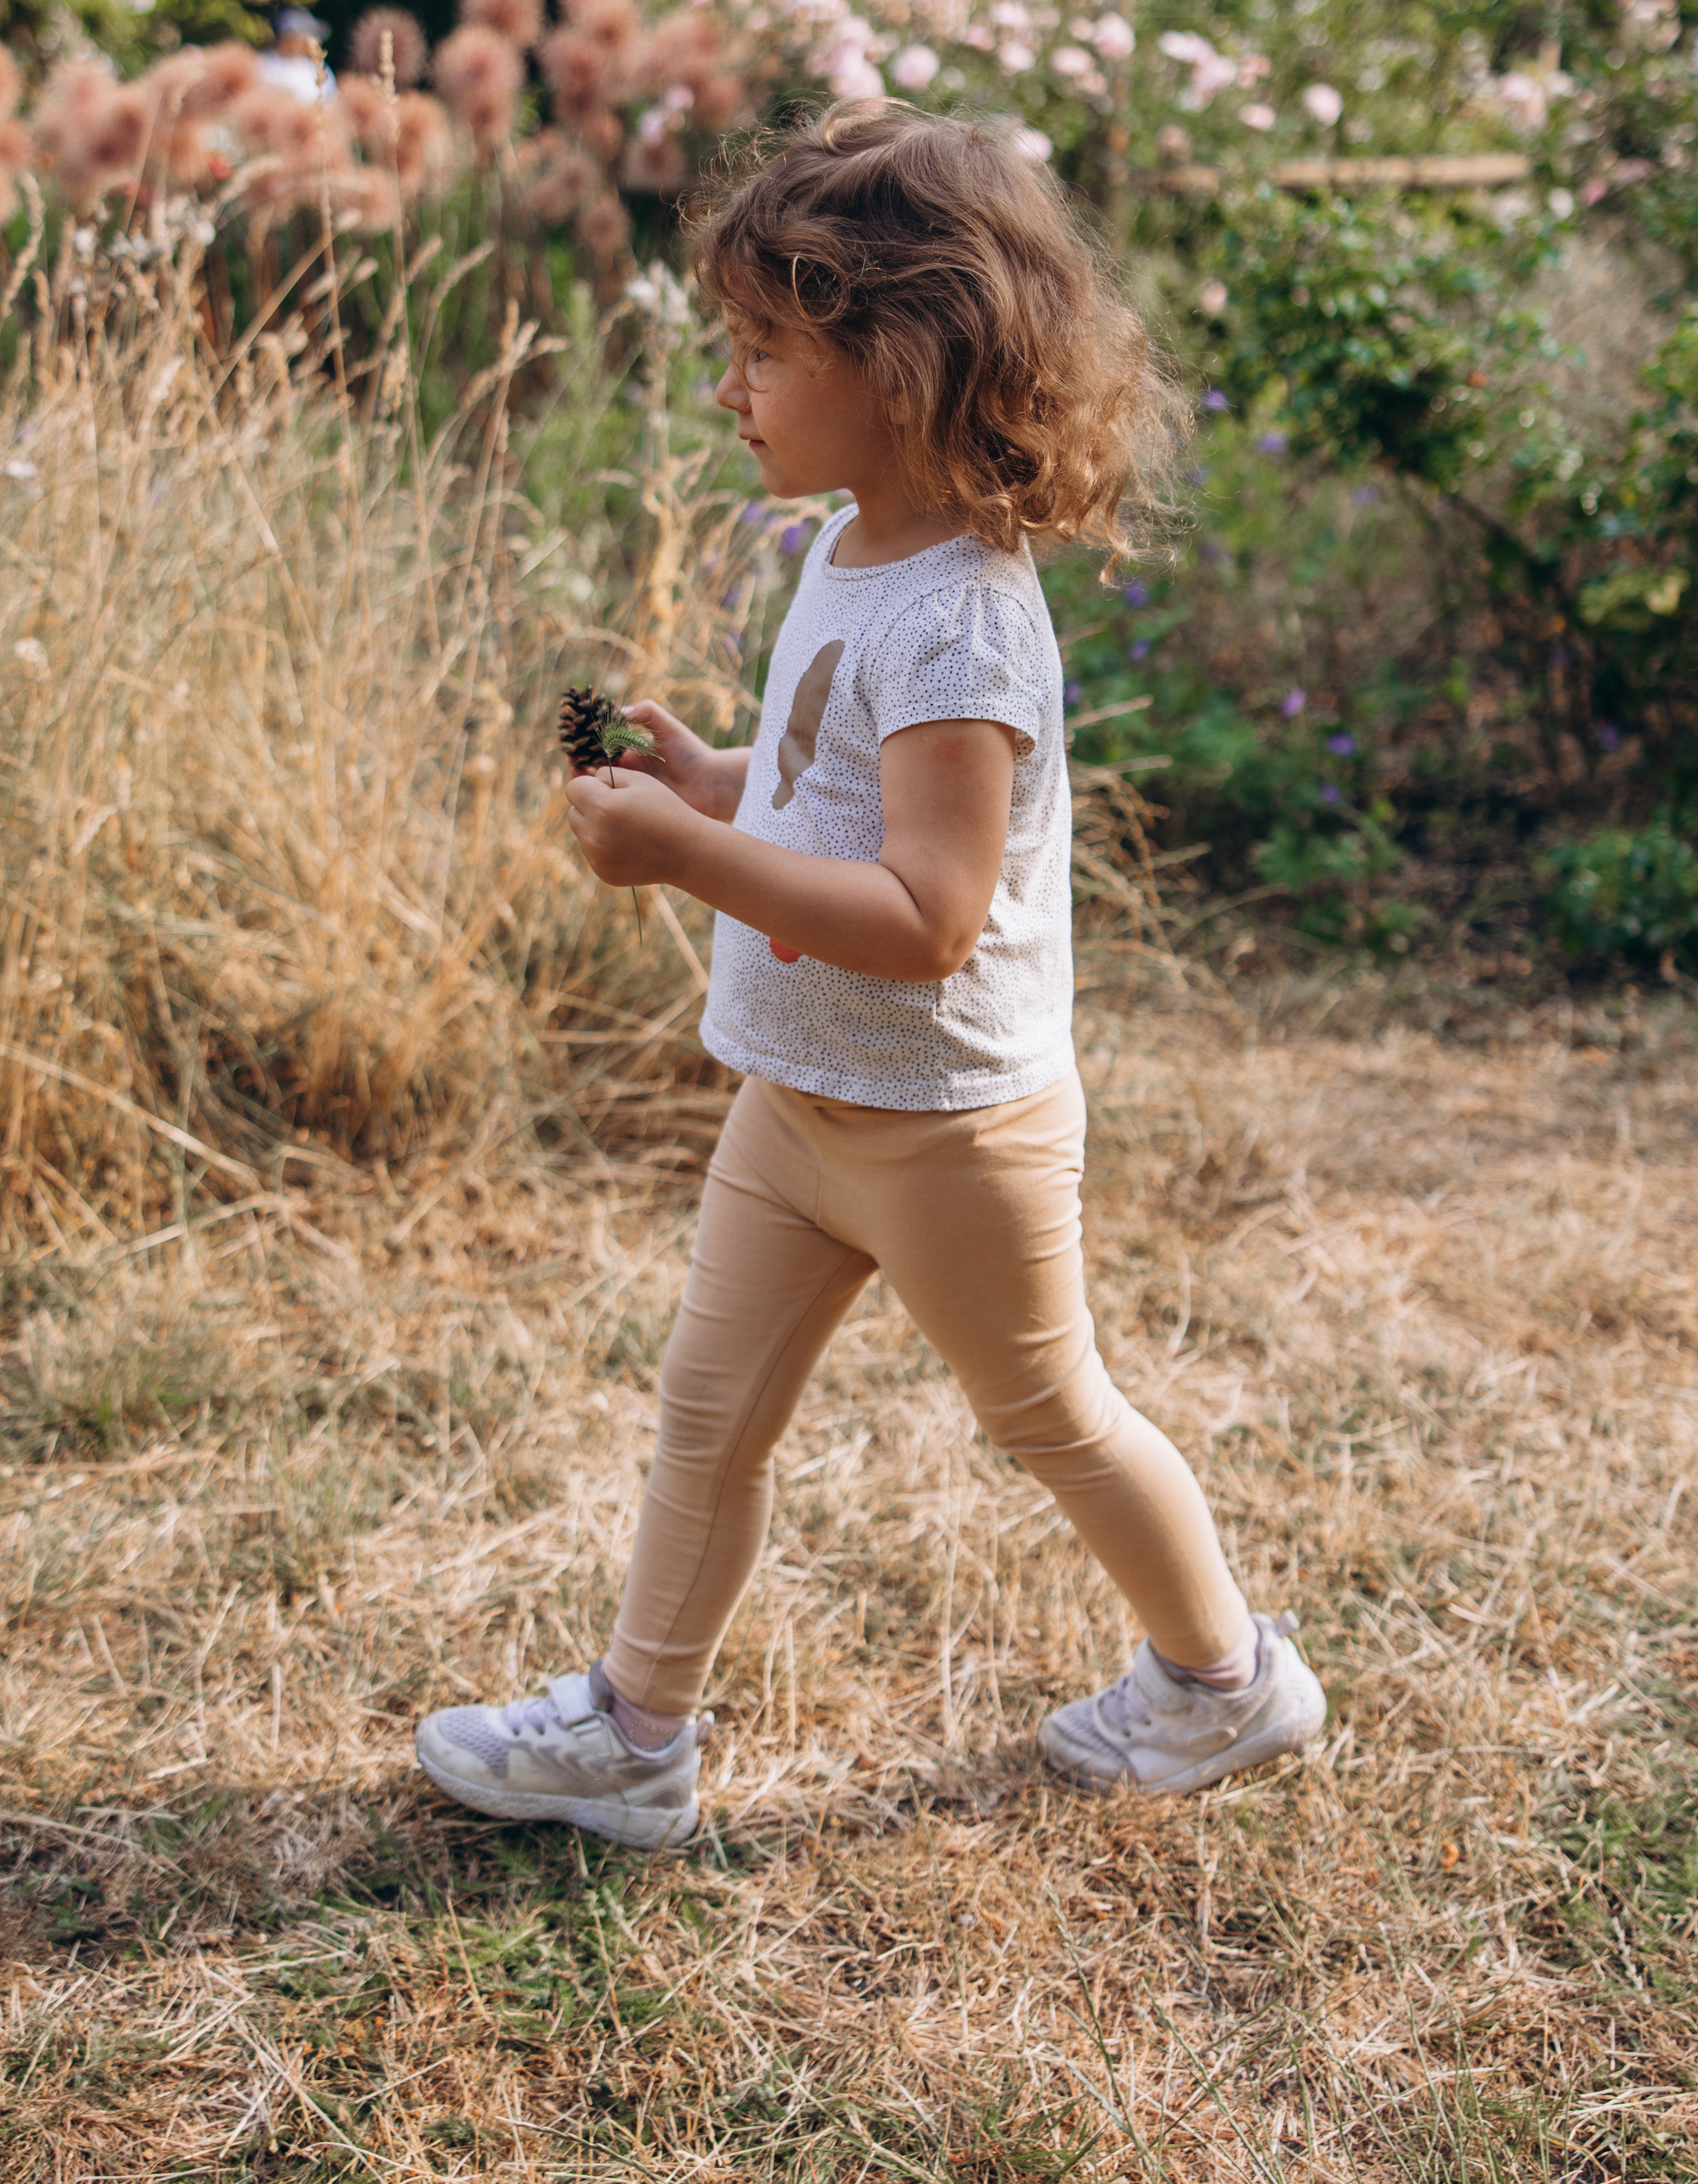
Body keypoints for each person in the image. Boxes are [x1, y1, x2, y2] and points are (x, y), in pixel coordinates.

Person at [415, 104, 1326, 1848]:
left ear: (898, 363)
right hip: (796, 1098)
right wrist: (709, 783)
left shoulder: (966, 621)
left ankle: (1222, 1680)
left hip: (942, 1127)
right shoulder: (850, 548)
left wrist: (683, 858)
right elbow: (833, 803)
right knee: (703, 1417)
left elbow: (924, 910)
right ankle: (633, 1730)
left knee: (1050, 1415)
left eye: (762, 347)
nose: (726, 385)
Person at [256, 3, 334, 103]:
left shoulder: (319, 70)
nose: (312, 41)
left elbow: (330, 103)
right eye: (304, 36)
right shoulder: (263, 65)